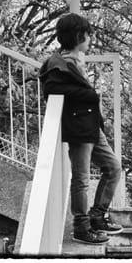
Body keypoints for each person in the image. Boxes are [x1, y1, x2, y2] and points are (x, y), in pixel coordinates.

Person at [39, 13, 124, 245]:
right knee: (81, 180)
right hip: (79, 127)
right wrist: (89, 94)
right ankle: (81, 227)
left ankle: (97, 216)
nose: (90, 39)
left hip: (91, 126)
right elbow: (51, 89)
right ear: (77, 35)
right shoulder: (59, 63)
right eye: (87, 34)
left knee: (113, 168)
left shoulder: (75, 60)